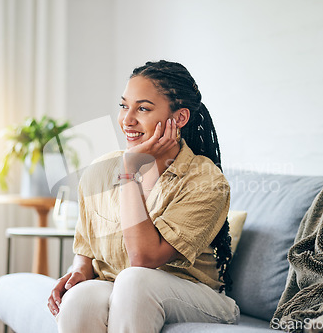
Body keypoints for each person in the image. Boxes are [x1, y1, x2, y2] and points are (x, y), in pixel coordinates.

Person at [47, 60, 239, 332]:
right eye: (124, 106)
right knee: (80, 299)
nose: (127, 120)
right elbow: (85, 249)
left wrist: (130, 172)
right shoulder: (99, 172)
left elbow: (143, 259)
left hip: (194, 296)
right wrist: (80, 270)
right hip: (120, 286)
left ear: (180, 118)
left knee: (134, 280)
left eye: (143, 109)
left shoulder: (205, 180)